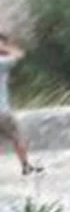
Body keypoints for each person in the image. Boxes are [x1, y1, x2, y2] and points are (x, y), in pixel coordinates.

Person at [0, 35, 42, 175]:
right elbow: (19, 54)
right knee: (18, 137)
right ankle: (25, 165)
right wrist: (5, 47)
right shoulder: (2, 62)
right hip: (3, 110)